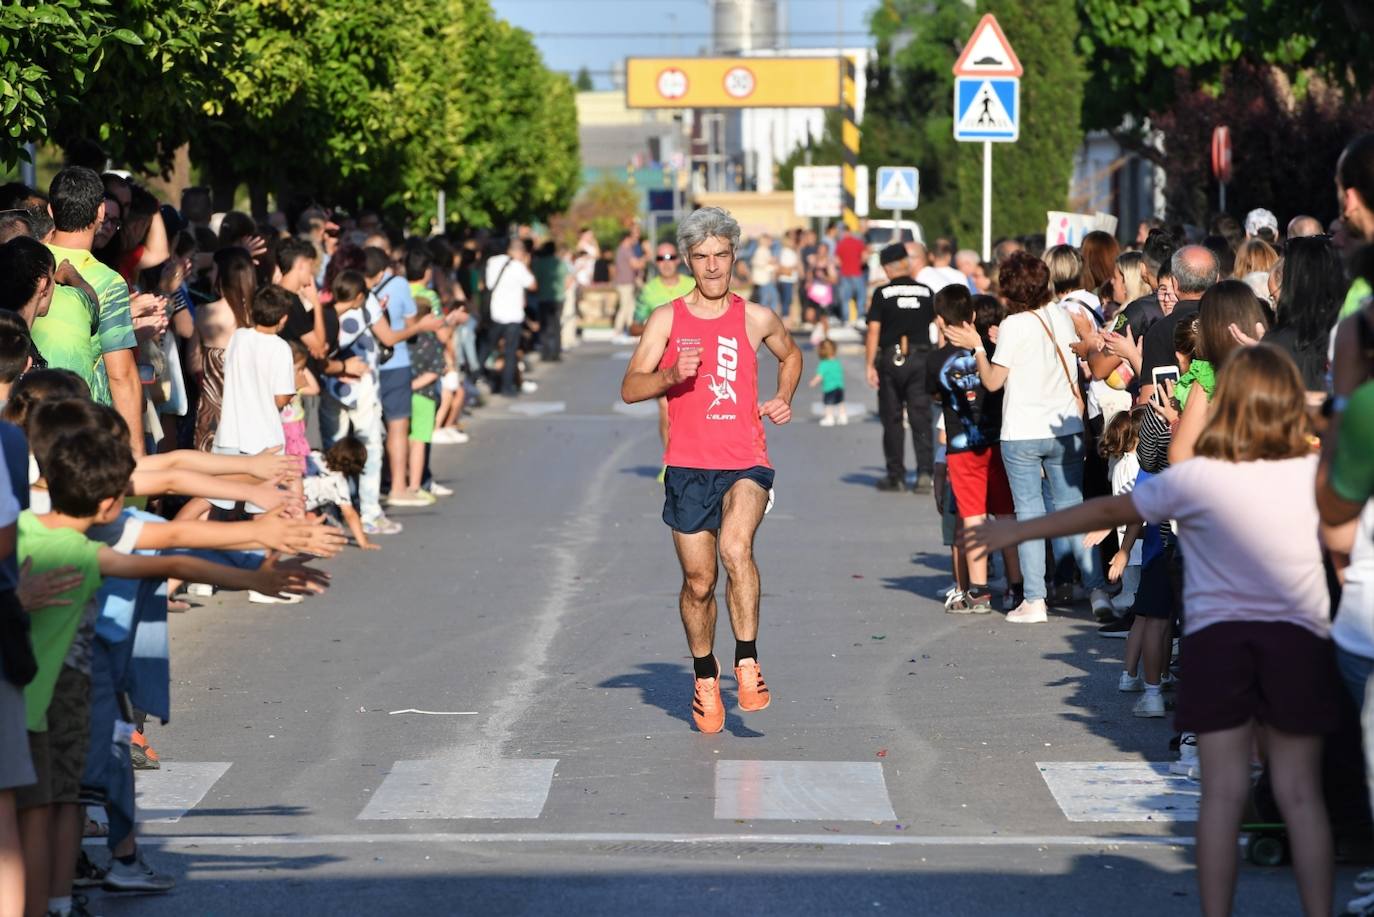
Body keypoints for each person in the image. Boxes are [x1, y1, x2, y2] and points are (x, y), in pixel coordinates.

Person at [968, 345, 1342, 917]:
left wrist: (1022, 531)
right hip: (1296, 640)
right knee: (1299, 793)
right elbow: (1342, 541)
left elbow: (1105, 513)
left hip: (1219, 644)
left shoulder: (1198, 477)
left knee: (1220, 794)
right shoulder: (1317, 473)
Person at [620, 206, 801, 735]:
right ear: (688, 261)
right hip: (687, 466)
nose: (713, 267)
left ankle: (746, 661)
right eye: (702, 258)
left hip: (746, 460)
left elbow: (790, 356)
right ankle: (705, 674)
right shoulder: (666, 319)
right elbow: (631, 387)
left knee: (735, 549)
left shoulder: (755, 317)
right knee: (699, 583)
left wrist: (782, 396)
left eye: (722, 256)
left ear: (734, 257)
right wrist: (670, 375)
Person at [943, 252, 1111, 623]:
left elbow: (992, 381)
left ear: (1009, 289)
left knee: (1030, 515)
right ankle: (1097, 590)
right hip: (1065, 426)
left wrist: (977, 347)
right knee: (1074, 509)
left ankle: (1035, 600)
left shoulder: (1014, 325)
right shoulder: (1061, 316)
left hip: (1022, 431)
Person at [32, 167, 144, 456]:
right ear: (101, 213)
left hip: (25, 418)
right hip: (81, 428)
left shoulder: (22, 261)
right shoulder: (108, 282)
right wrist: (136, 456)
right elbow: (121, 375)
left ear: (51, 211)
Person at [927, 288, 1022, 614]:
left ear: (940, 321)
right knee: (1006, 515)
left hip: (961, 448)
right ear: (971, 318)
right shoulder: (994, 349)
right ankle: (1016, 584)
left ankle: (979, 590)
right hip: (997, 443)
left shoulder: (936, 359)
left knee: (973, 519)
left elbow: (936, 395)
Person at [864, 243, 936, 493]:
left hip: (891, 360)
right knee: (921, 417)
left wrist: (869, 364)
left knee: (892, 418)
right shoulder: (926, 292)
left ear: (886, 267)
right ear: (907, 263)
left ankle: (896, 475)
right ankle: (925, 473)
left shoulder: (882, 294)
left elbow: (874, 330)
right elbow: (937, 323)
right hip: (921, 359)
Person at [212, 285, 295, 463]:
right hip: (263, 441)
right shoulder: (280, 348)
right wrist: (297, 386)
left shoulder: (239, 336)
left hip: (228, 437)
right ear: (283, 318)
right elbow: (280, 399)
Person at [484, 238, 537, 397]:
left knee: (488, 346)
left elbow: (488, 284)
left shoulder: (492, 262)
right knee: (510, 351)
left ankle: (475, 375)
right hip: (513, 315)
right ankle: (507, 387)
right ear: (519, 252)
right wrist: (526, 265)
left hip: (496, 313)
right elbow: (533, 285)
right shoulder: (518, 266)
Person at [612, 226, 645, 339]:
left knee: (630, 307)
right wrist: (646, 257)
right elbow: (635, 264)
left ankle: (631, 330)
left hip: (625, 282)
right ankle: (618, 331)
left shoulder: (621, 249)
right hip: (625, 283)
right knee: (625, 307)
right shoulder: (626, 250)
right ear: (626, 239)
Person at [834, 226, 867, 325]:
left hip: (845, 274)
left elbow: (837, 261)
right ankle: (860, 317)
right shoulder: (858, 242)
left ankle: (846, 319)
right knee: (860, 296)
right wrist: (859, 264)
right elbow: (865, 256)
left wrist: (843, 265)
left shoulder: (840, 244)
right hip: (857, 272)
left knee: (845, 298)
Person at [809, 339, 846, 426]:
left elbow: (820, 376)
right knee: (840, 402)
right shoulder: (836, 362)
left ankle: (829, 418)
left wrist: (813, 382)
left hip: (829, 388)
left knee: (828, 404)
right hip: (839, 387)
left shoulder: (823, 364)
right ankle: (843, 417)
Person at [749, 234, 779, 313]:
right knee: (767, 299)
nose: (771, 242)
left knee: (771, 298)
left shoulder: (765, 250)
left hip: (766, 280)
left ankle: (767, 316)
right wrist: (771, 264)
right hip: (763, 280)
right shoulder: (761, 250)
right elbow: (758, 263)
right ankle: (764, 317)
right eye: (769, 240)